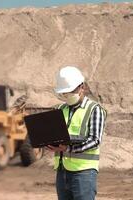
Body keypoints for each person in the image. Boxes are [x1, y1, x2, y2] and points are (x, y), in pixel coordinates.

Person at [47, 66, 107, 200]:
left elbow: (95, 140)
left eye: (70, 91)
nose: (67, 95)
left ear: (82, 87)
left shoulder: (94, 109)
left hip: (83, 173)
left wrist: (69, 148)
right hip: (62, 172)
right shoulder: (58, 110)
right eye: (64, 93)